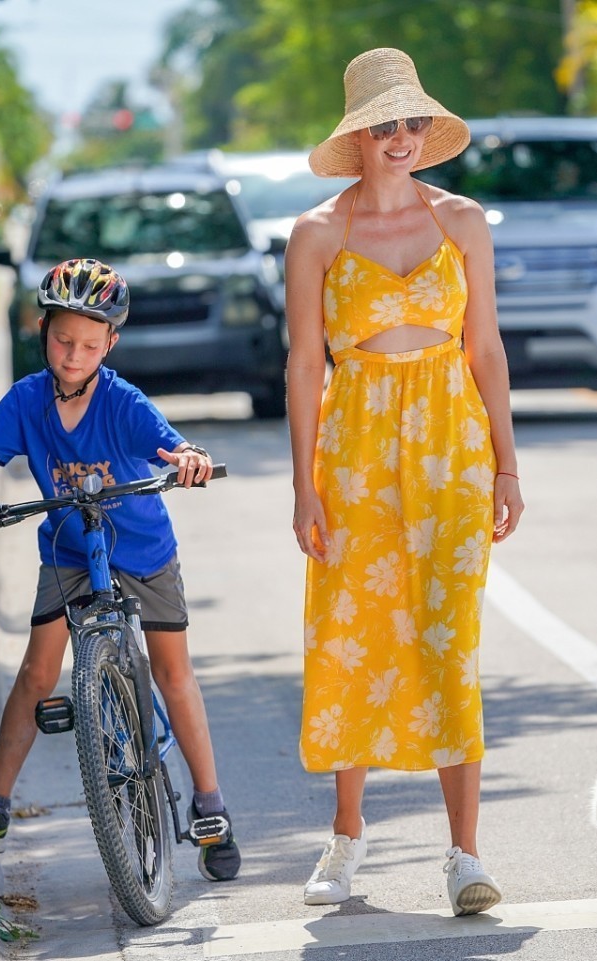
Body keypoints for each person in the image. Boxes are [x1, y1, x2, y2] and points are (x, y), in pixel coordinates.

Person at [285, 48, 524, 915]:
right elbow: (303, 365)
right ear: (357, 135)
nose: (401, 139)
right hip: (352, 449)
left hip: (449, 445)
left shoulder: (462, 221)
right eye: (384, 125)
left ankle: (464, 855)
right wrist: (303, 485)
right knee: (350, 632)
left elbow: (485, 349)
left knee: (445, 636)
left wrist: (504, 460)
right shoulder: (316, 233)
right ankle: (346, 838)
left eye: (412, 123)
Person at [0, 258, 241, 883]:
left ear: (110, 344)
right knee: (35, 673)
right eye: (62, 340)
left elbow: (172, 445)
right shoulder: (28, 400)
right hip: (68, 551)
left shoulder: (122, 401)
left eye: (89, 344)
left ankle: (210, 805)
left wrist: (190, 457)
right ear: (42, 332)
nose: (73, 355)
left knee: (173, 671)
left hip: (141, 550)